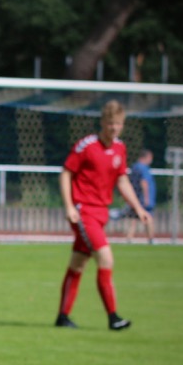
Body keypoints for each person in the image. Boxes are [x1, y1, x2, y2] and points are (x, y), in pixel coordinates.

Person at [54, 100, 151, 332]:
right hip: (83, 211)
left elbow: (122, 179)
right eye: (110, 123)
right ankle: (113, 317)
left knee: (77, 264)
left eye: (118, 124)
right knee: (106, 259)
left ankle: (62, 316)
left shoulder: (119, 148)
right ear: (102, 123)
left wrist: (138, 207)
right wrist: (69, 206)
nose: (114, 128)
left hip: (100, 213)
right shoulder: (86, 146)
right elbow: (66, 173)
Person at [125, 148, 156, 243]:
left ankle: (129, 238)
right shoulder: (143, 168)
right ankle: (151, 239)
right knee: (148, 217)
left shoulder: (134, 167)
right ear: (147, 157)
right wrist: (146, 198)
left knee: (133, 219)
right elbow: (144, 182)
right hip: (142, 199)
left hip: (135, 198)